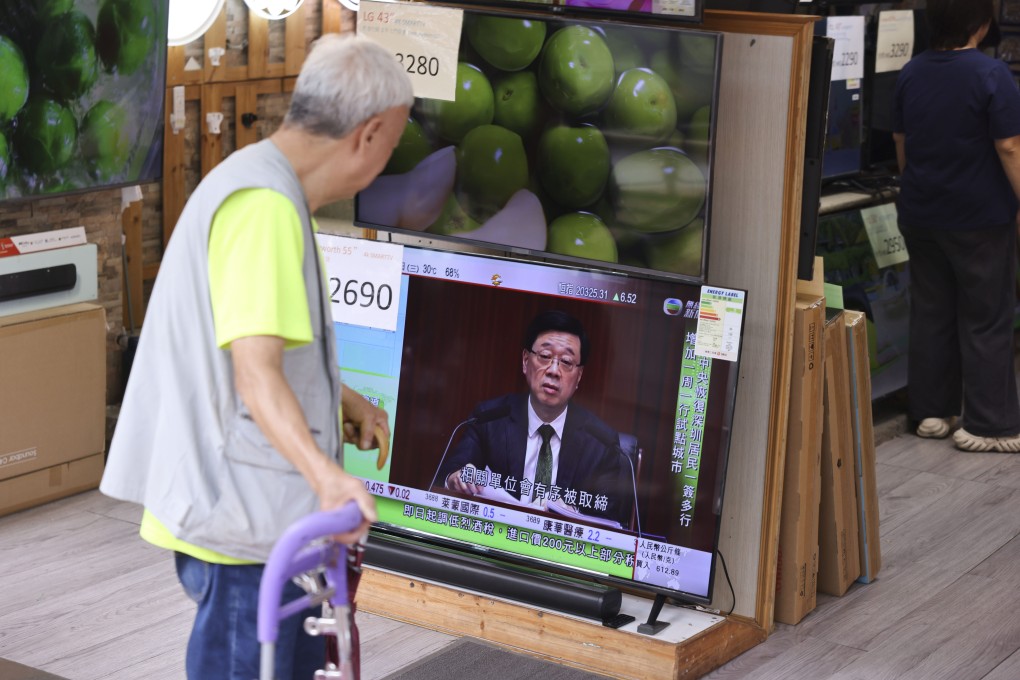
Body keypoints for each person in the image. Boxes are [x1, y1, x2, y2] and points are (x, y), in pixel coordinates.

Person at [99, 34, 414, 679]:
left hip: (257, 511)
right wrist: (329, 479)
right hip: (242, 518)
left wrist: (346, 400)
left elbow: (260, 345)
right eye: (394, 143)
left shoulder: (261, 186)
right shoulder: (264, 209)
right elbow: (254, 373)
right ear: (370, 134)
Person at [892, 0, 1020, 452]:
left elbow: (901, 142)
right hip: (980, 216)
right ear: (982, 25)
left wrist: (918, 188)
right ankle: (989, 425)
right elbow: (1008, 146)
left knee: (932, 313)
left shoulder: (912, 72)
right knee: (987, 317)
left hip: (922, 212)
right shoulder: (991, 74)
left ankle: (931, 412)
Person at [439, 310, 633, 526]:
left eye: (566, 362)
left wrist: (573, 514)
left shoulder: (602, 443)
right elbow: (450, 472)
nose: (553, 370)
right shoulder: (489, 418)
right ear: (525, 360)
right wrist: (455, 478)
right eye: (545, 356)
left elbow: (609, 517)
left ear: (578, 377)